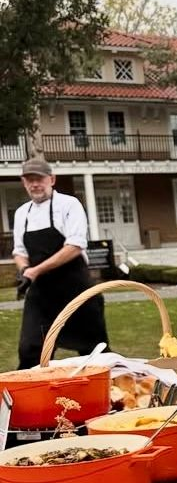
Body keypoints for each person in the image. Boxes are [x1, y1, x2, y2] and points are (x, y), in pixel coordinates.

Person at [13, 158, 109, 369]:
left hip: (76, 290)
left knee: (95, 352)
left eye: (39, 179)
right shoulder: (22, 213)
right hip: (41, 294)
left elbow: (74, 245)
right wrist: (24, 270)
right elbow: (19, 252)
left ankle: (107, 394)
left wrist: (35, 270)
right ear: (24, 182)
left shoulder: (69, 205)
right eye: (30, 180)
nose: (35, 185)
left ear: (52, 179)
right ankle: (31, 397)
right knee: (30, 349)